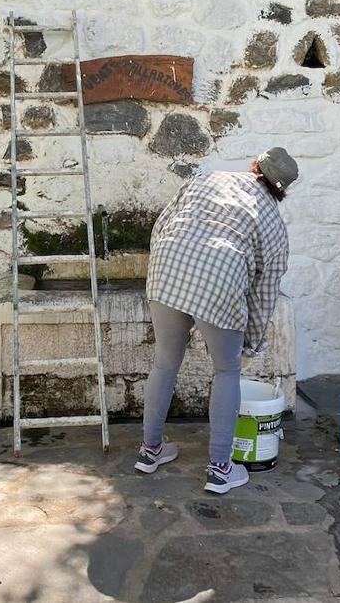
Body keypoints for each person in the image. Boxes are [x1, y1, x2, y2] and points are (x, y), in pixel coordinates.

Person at [137, 147, 296, 494]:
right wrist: (251, 340)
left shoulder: (205, 177)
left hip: (167, 268)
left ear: (254, 164)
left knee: (164, 364)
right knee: (227, 371)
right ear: (281, 190)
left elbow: (161, 225)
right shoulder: (271, 219)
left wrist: (164, 271)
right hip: (219, 280)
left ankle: (150, 451)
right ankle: (221, 469)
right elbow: (266, 288)